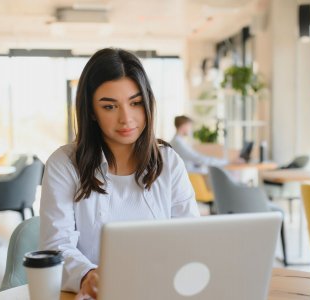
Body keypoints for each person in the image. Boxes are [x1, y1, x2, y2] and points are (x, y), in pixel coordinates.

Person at [39, 48, 200, 299]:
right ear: (91, 111)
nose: (126, 118)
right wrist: (86, 275)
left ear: (147, 103)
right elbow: (56, 246)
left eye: (135, 103)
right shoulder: (64, 164)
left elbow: (192, 239)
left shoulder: (169, 162)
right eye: (110, 106)